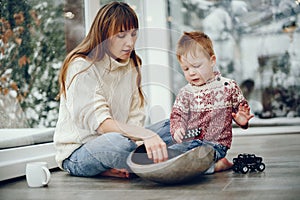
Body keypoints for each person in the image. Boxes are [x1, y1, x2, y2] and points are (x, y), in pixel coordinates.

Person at [54, 2, 172, 179]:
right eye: (121, 36)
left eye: (133, 34)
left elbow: (135, 115)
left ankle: (135, 162)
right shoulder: (81, 66)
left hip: (124, 141)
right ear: (103, 34)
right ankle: (161, 162)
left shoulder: (133, 63)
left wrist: (141, 139)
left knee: (174, 126)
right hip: (78, 154)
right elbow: (101, 123)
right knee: (118, 143)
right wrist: (145, 136)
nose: (130, 43)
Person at [169, 31, 254, 173]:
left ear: (212, 60)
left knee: (194, 157)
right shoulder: (186, 93)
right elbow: (177, 115)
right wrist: (177, 129)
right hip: (191, 143)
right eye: (186, 68)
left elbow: (239, 110)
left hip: (216, 145)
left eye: (196, 66)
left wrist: (242, 121)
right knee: (174, 153)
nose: (191, 72)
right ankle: (209, 166)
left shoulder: (228, 86)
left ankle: (212, 164)